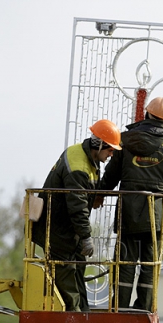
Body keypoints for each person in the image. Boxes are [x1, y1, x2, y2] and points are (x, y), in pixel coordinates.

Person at [100, 97, 163, 310]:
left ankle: (119, 305)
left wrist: (99, 193)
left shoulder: (124, 141)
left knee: (125, 260)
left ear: (147, 114)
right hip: (155, 212)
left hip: (128, 210)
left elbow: (111, 175)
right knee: (149, 262)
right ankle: (145, 306)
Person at [32, 119, 122, 311]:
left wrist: (96, 193)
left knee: (78, 265)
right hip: (57, 226)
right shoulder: (79, 167)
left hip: (66, 226)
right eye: (110, 150)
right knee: (66, 268)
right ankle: (72, 315)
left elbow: (82, 195)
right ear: (99, 145)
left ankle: (83, 312)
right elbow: (77, 206)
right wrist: (86, 237)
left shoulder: (86, 156)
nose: (111, 155)